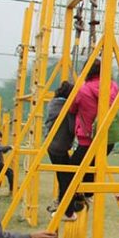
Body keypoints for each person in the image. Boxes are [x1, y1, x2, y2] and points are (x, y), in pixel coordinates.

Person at [67, 59, 119, 217]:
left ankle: (74, 202)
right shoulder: (113, 86)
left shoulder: (83, 90)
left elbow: (72, 108)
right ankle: (88, 194)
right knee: (92, 166)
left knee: (71, 170)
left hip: (88, 138)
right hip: (108, 138)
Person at [44, 81, 76, 219]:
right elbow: (72, 128)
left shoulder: (53, 104)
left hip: (51, 144)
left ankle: (63, 202)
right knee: (65, 178)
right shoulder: (67, 107)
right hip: (60, 145)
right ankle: (66, 209)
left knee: (63, 175)